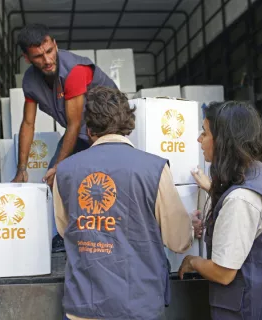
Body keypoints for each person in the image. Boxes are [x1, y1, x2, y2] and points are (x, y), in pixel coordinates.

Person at [53, 86, 202, 320]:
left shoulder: (64, 172)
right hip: (139, 307)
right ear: (128, 125)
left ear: (89, 129)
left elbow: (66, 230)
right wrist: (189, 226)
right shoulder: (155, 169)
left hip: (83, 308)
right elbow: (178, 240)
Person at [178, 101, 262, 319]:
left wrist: (192, 261)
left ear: (223, 141)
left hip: (250, 311)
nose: (199, 140)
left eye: (204, 133)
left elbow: (223, 273)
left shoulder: (241, 199)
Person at [11, 24, 117, 252]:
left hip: (107, 133)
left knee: (90, 183)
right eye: (38, 56)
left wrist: (60, 166)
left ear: (55, 45)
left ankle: (105, 235)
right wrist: (22, 167)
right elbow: (28, 123)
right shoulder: (30, 81)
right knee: (53, 181)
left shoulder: (75, 70)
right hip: (79, 132)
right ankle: (64, 234)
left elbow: (74, 123)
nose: (47, 60)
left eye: (50, 51)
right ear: (27, 58)